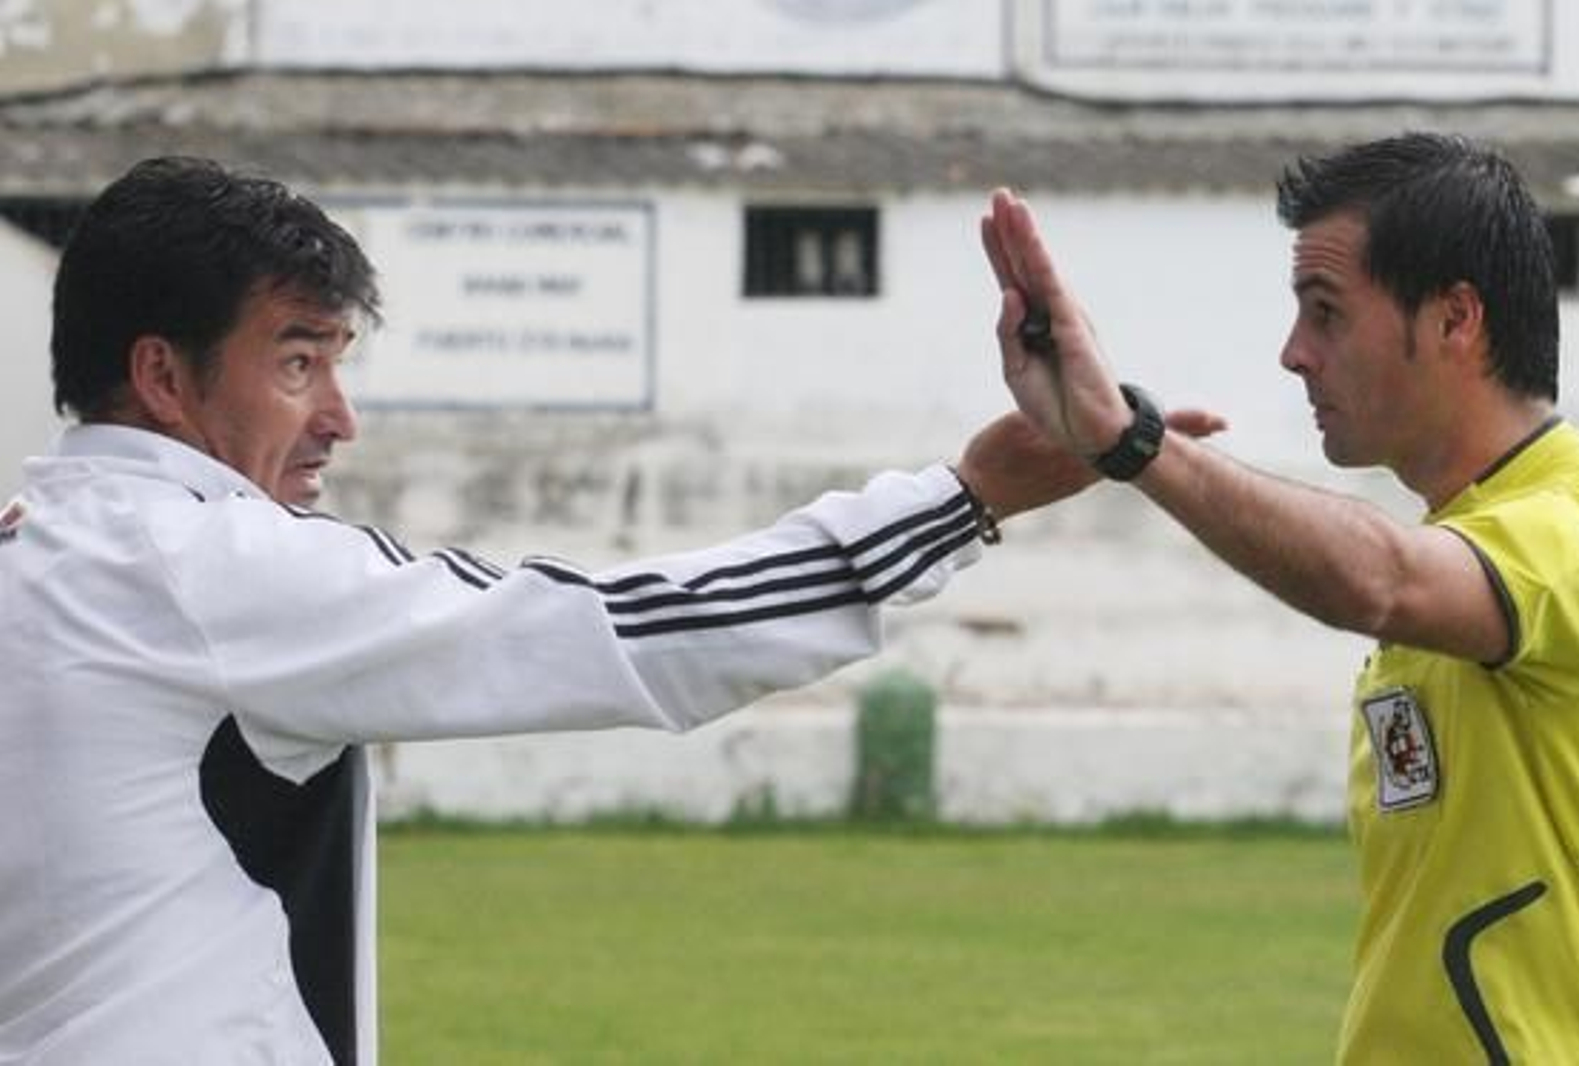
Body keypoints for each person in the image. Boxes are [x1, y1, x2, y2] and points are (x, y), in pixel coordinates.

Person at [0, 156, 1223, 1065]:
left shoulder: (38, 554)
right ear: (163, 375)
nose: (338, 417)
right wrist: (969, 497)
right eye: (296, 361)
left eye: (338, 361)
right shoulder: (209, 566)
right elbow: (628, 629)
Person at [983, 133, 1579, 1062]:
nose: (1293, 354)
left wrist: (1131, 441)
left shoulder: (1568, 536)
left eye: (1326, 313)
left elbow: (1376, 581)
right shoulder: (1473, 545)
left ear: (1455, 319)